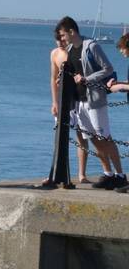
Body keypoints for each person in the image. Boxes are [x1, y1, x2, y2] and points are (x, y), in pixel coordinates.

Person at [56, 16, 124, 188]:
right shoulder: (70, 49)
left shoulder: (91, 46)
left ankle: (120, 175)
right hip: (79, 102)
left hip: (95, 101)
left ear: (72, 31)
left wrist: (87, 79)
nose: (61, 39)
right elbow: (73, 73)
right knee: (93, 139)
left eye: (63, 35)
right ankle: (108, 174)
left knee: (105, 137)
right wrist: (63, 79)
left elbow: (108, 68)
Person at [48, 27, 93, 183]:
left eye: (62, 39)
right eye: (58, 40)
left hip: (77, 97)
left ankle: (82, 174)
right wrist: (55, 102)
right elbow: (53, 79)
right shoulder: (54, 53)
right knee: (59, 136)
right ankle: (56, 172)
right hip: (62, 99)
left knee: (82, 136)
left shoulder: (73, 52)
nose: (61, 42)